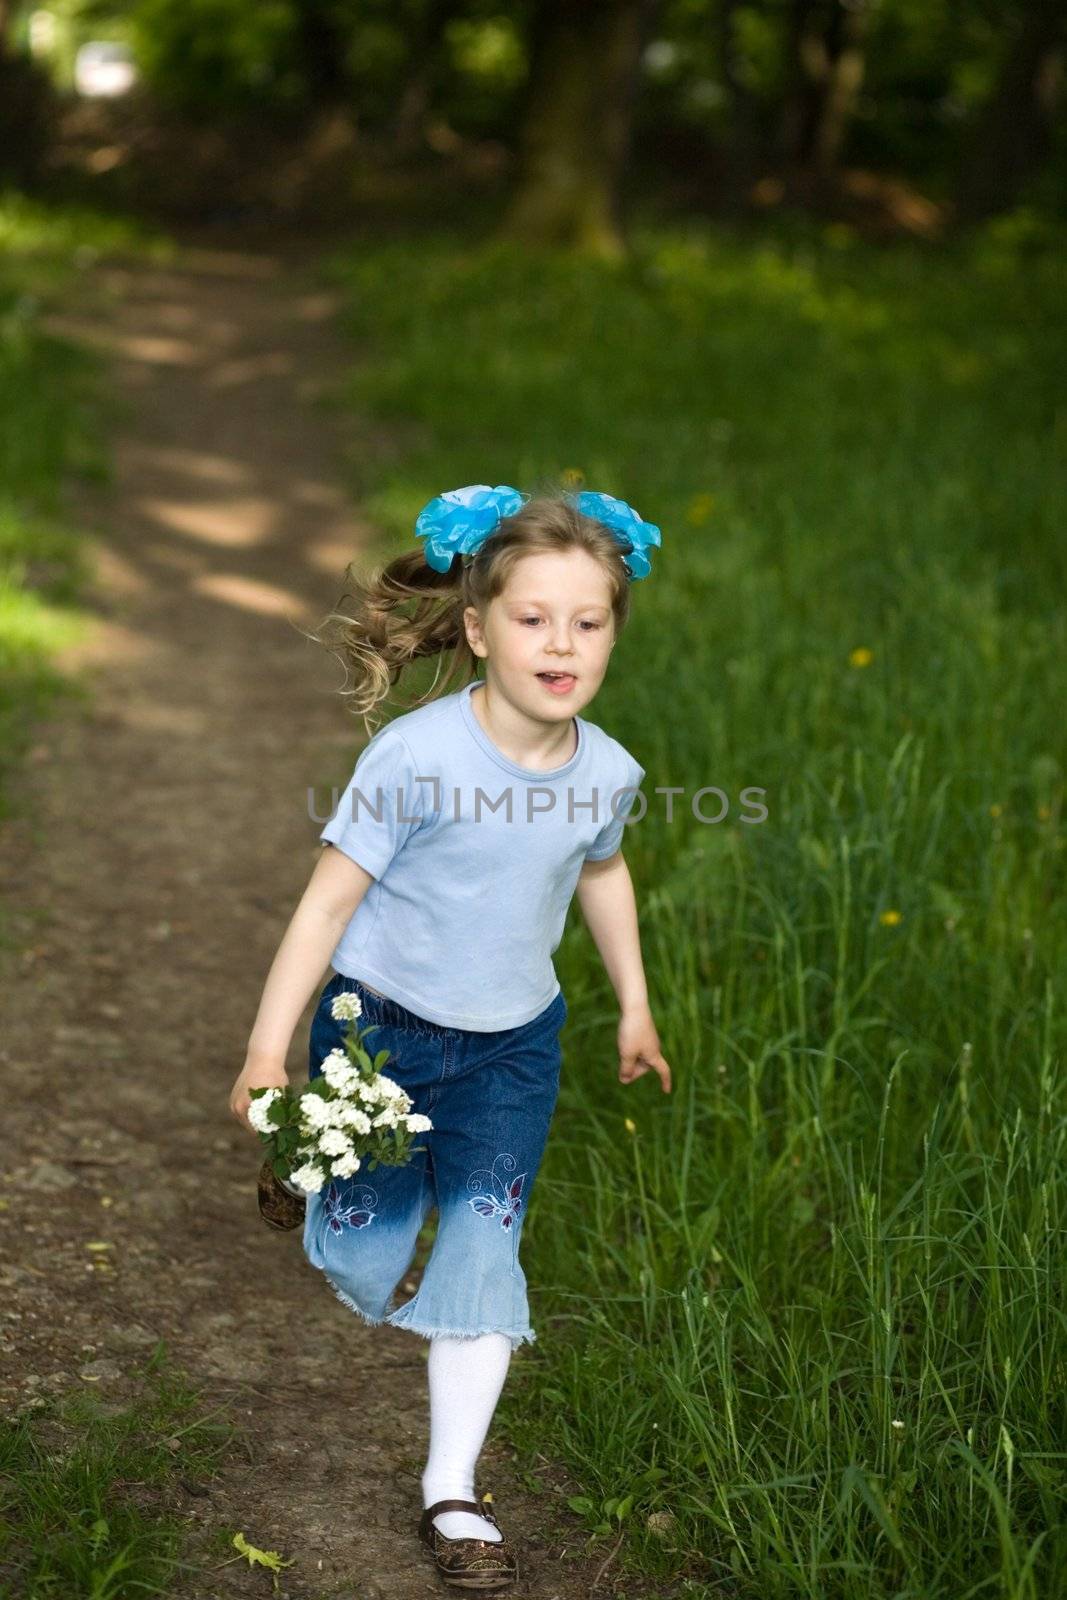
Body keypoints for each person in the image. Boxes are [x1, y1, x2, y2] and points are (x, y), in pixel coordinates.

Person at [229, 481, 672, 1590]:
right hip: (377, 1040)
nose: (560, 643)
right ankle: (314, 1168)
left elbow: (602, 873)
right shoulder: (416, 760)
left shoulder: (605, 773)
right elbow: (326, 907)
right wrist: (266, 1050)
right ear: (477, 629)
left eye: (587, 620)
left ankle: (454, 1491)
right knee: (367, 1252)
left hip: (512, 1051)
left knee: (483, 1251)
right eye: (532, 618)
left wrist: (633, 1002)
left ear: (614, 631)